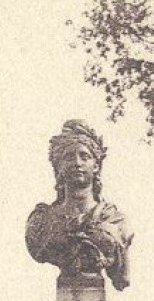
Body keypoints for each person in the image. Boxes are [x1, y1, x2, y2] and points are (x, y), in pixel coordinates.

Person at [25, 119, 134, 290]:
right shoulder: (42, 222)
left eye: (85, 156)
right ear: (58, 166)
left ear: (96, 165)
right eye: (69, 157)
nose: (77, 163)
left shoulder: (115, 220)